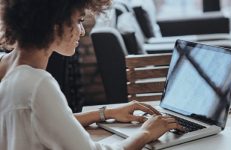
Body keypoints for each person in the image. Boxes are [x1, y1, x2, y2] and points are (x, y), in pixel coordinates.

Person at [0, 0, 183, 149]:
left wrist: (106, 113)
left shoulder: (7, 67)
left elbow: (51, 121)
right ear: (55, 25)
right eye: (79, 21)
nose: (82, 31)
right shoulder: (38, 84)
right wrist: (146, 133)